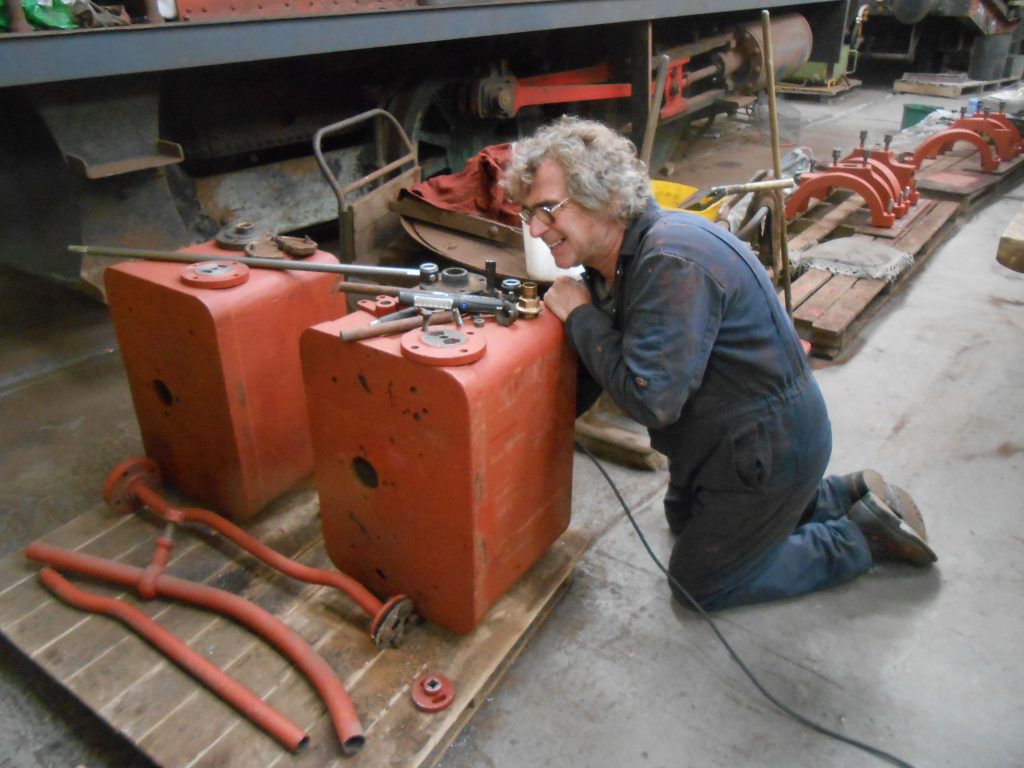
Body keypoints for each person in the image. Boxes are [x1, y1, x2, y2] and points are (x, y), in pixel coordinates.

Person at [502, 116, 936, 611]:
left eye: (547, 209)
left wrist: (580, 315)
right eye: (527, 214)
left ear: (602, 196)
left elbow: (651, 399)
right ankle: (838, 495)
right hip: (729, 444)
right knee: (683, 523)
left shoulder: (670, 261)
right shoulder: (624, 259)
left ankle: (861, 539)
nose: (535, 229)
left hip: (767, 449)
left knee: (699, 583)